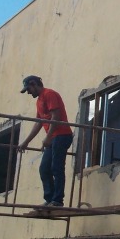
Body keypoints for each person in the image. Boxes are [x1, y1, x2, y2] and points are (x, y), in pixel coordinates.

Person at [17, 75, 74, 207]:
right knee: (44, 168)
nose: (29, 92)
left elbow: (56, 116)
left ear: (34, 84)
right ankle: (49, 199)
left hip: (62, 135)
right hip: (53, 137)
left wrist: (47, 138)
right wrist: (26, 142)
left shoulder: (49, 94)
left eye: (29, 89)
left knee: (56, 167)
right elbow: (39, 122)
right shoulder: (39, 101)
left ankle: (57, 200)